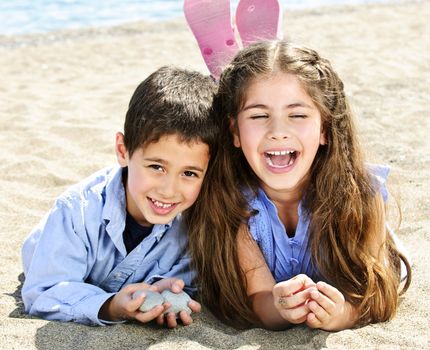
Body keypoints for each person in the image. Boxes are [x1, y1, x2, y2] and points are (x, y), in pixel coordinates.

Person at [188, 40, 412, 331]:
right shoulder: (233, 205)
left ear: (325, 129)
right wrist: (281, 309)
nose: (278, 131)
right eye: (258, 116)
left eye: (297, 115)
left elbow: (378, 293)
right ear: (235, 132)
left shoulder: (361, 194)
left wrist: (342, 314)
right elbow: (259, 299)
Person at [21, 66, 218, 328]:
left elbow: (183, 282)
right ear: (123, 150)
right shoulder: (76, 212)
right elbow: (44, 292)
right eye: (156, 167)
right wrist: (111, 306)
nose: (169, 190)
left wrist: (166, 291)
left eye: (190, 173)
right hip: (46, 255)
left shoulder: (194, 228)